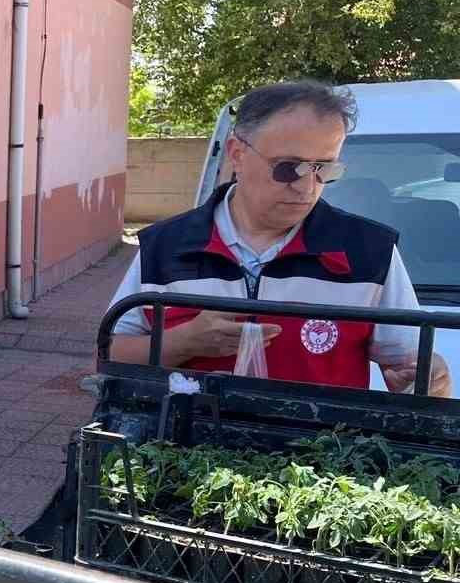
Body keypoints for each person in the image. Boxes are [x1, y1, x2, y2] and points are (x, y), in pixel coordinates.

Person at [109, 79, 452, 397]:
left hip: (319, 458)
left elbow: (409, 366)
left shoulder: (370, 252)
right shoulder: (165, 246)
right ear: (237, 154)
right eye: (288, 168)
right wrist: (183, 343)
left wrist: (430, 379)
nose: (307, 187)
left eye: (324, 169)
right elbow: (110, 353)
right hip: (190, 454)